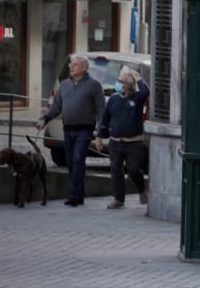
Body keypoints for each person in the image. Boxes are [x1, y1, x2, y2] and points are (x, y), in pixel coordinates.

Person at [37, 55, 105, 207]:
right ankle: (79, 194)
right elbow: (56, 107)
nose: (71, 67)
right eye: (71, 65)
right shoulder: (65, 85)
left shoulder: (94, 86)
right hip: (68, 130)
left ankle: (73, 195)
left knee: (78, 159)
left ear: (84, 68)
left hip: (84, 130)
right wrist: (45, 119)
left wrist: (100, 132)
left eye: (74, 65)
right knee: (71, 163)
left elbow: (101, 110)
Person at [95, 68, 149, 210]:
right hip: (115, 142)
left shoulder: (137, 97)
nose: (118, 83)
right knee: (116, 169)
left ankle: (142, 190)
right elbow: (105, 119)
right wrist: (100, 136)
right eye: (118, 80)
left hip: (134, 143)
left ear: (129, 85)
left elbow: (145, 92)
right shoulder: (113, 99)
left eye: (121, 81)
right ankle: (118, 199)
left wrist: (139, 80)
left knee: (133, 169)